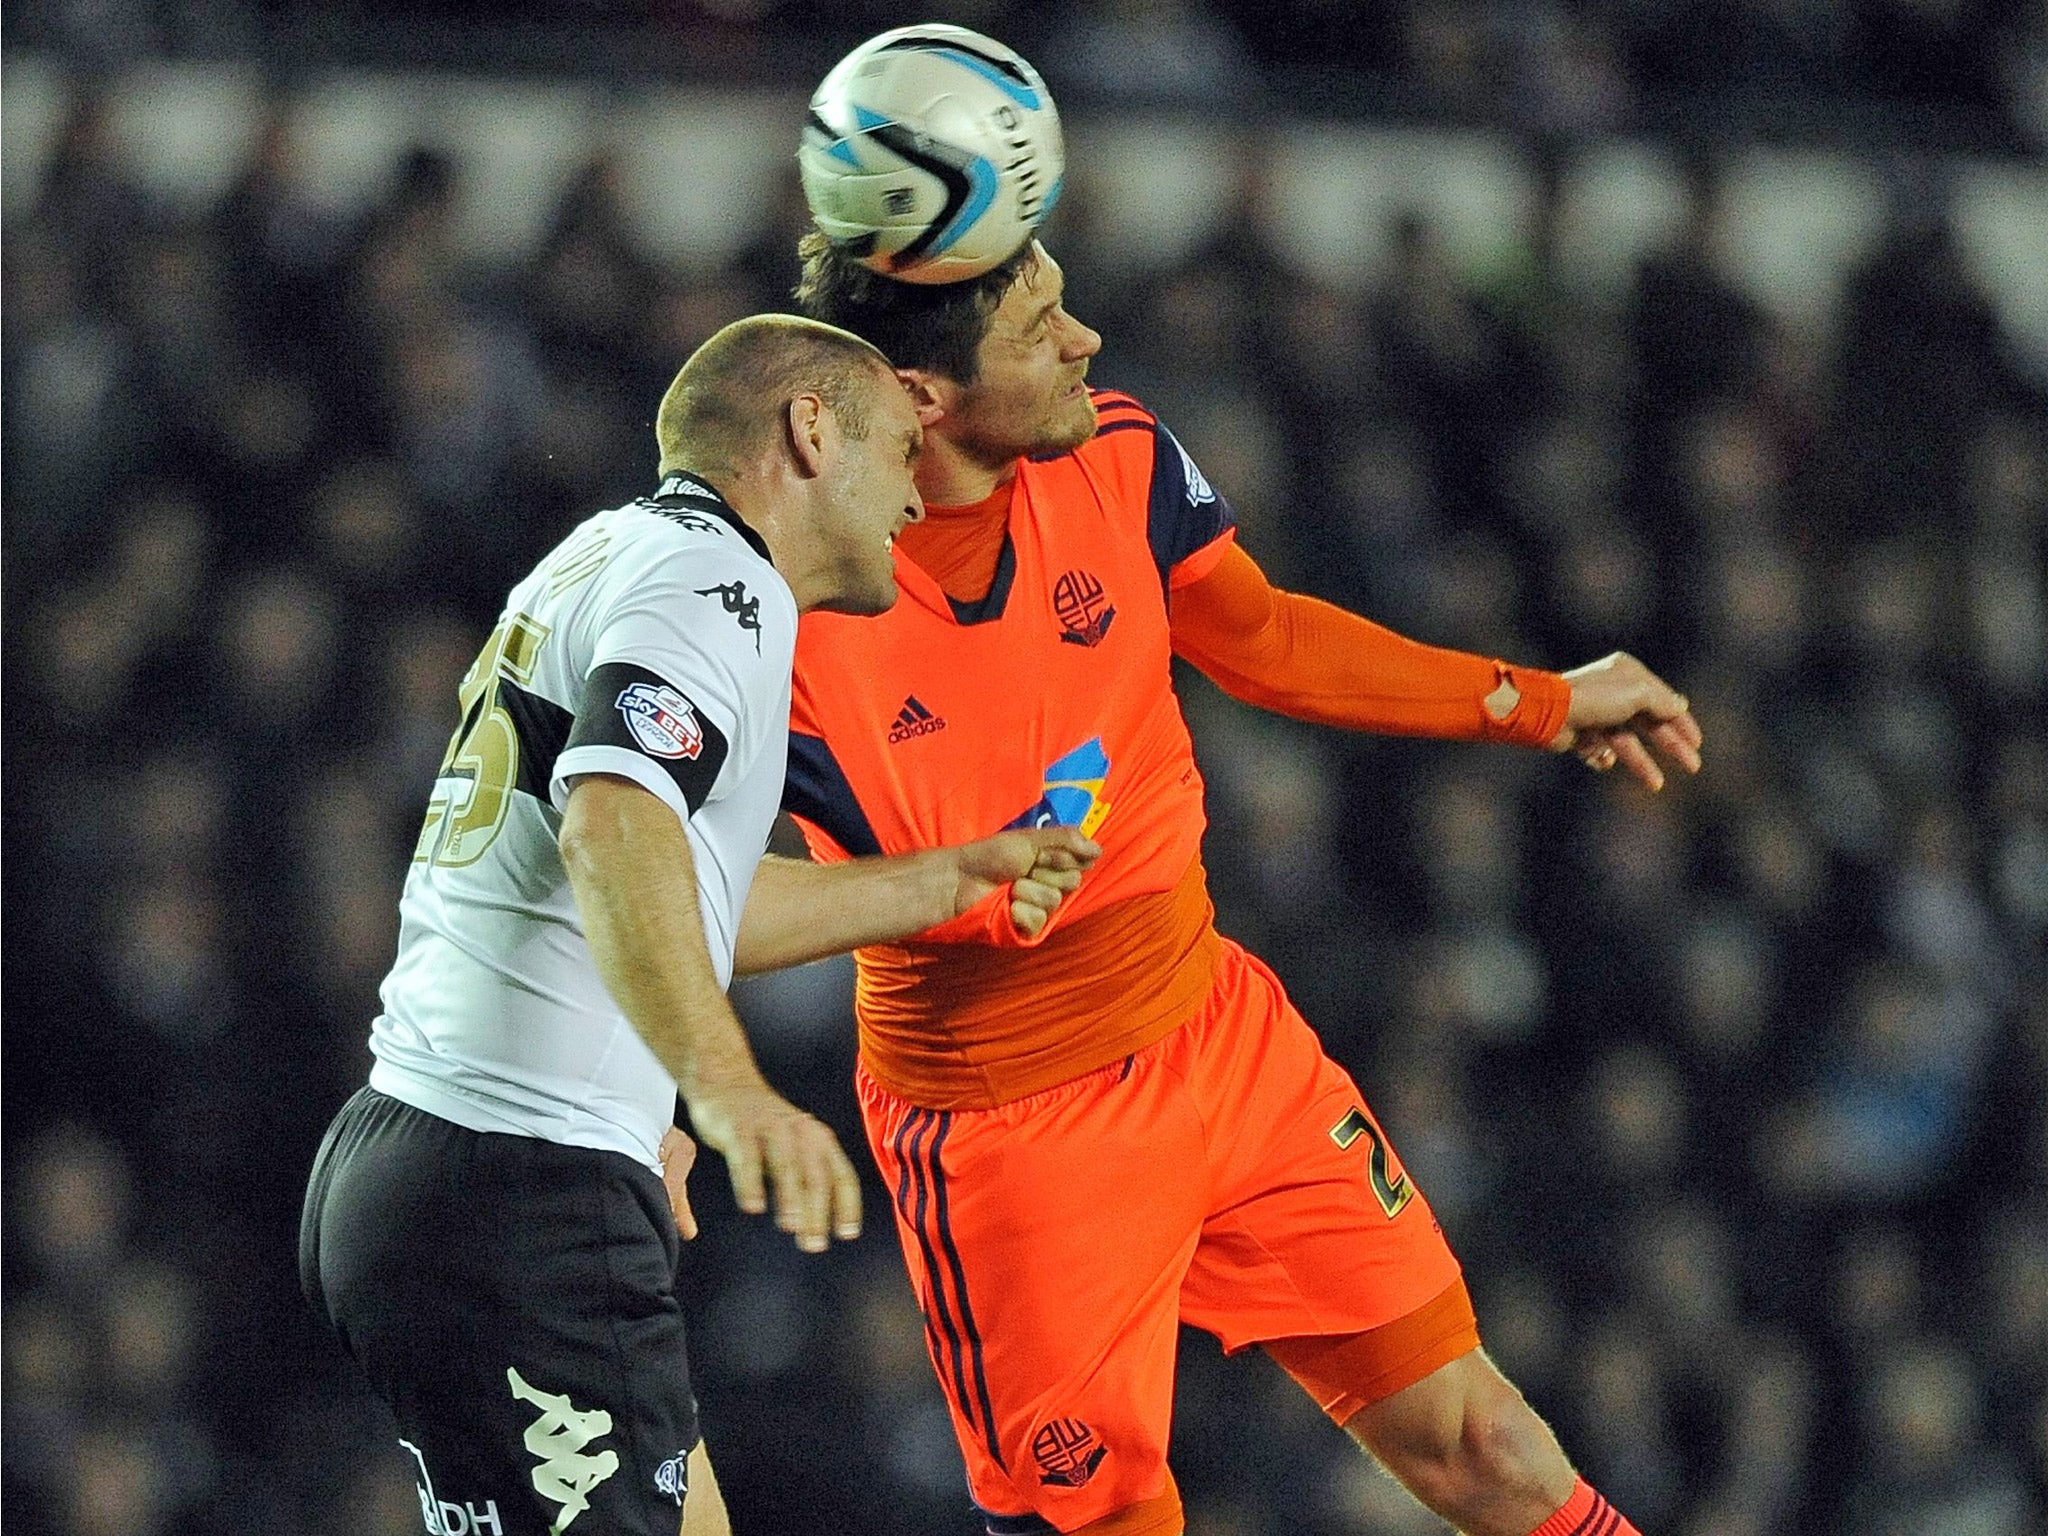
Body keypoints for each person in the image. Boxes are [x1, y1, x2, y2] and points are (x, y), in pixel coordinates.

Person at [786, 229, 1703, 1536]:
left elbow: (1262, 638)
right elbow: (957, 894)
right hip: (1016, 1126)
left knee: (1492, 1447)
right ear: (924, 399)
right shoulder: (802, 613)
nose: (1083, 341)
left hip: (1215, 1030)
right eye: (1038, 325)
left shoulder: (1118, 452)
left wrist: (1540, 703)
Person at [299, 314, 1099, 1536]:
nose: (916, 486)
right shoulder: (716, 587)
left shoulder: (614, 552)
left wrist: (946, 883)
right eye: (896, 445)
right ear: (809, 431)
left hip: (456, 1163)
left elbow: (681, 889)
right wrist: (720, 1091)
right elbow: (613, 829)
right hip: (516, 1189)